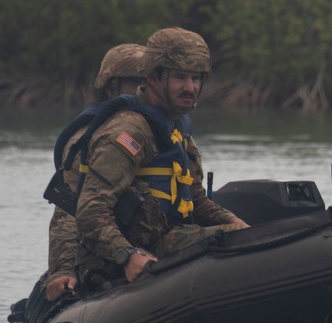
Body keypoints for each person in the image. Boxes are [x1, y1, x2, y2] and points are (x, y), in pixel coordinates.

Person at [73, 27, 249, 292]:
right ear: (154, 78)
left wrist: (234, 222)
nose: (190, 88)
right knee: (232, 239)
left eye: (196, 79)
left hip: (168, 239)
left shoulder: (178, 130)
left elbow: (197, 200)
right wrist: (127, 255)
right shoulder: (130, 131)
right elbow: (90, 210)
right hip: (126, 258)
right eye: (180, 78)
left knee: (242, 234)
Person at [44, 43, 147, 301]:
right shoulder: (88, 141)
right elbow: (69, 211)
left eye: (146, 83)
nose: (140, 92)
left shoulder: (160, 131)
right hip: (104, 256)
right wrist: (63, 270)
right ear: (111, 88)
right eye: (133, 84)